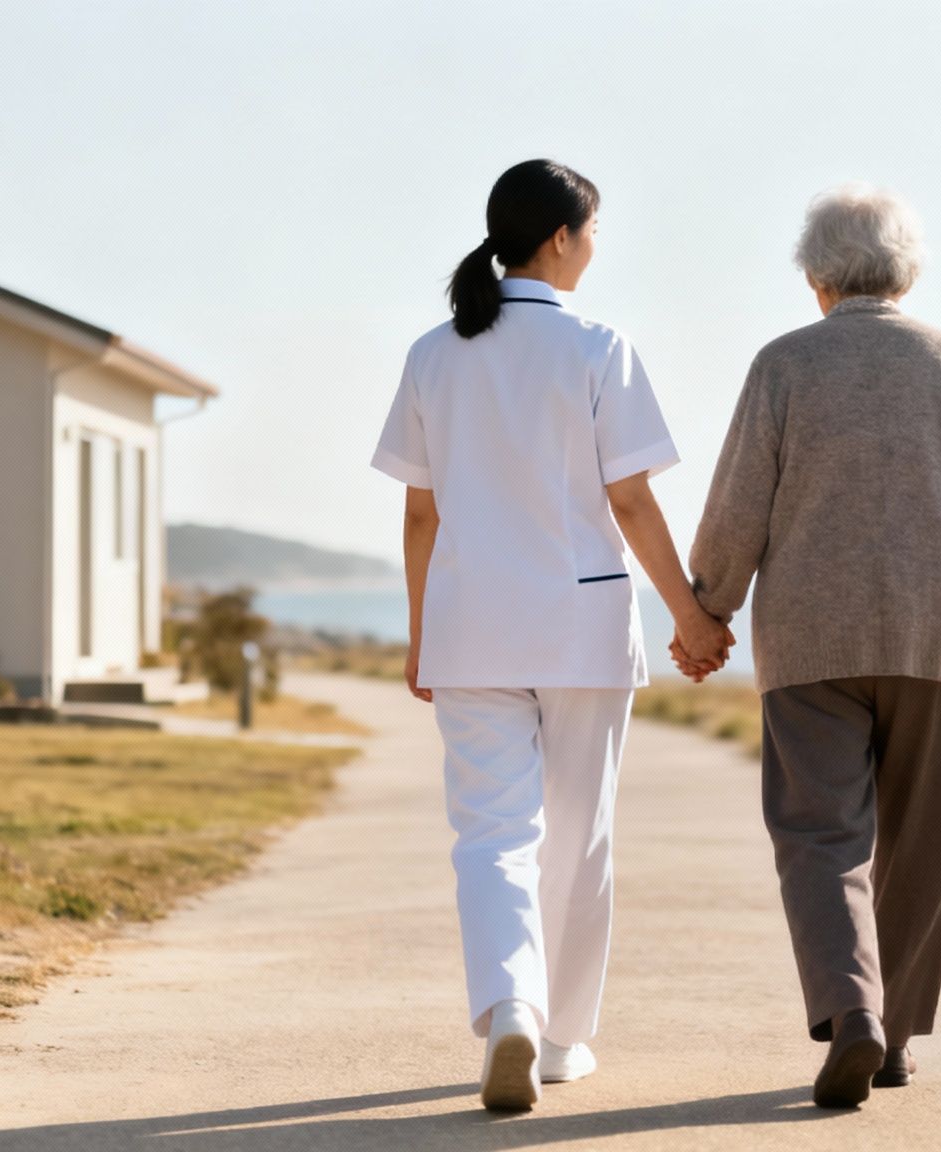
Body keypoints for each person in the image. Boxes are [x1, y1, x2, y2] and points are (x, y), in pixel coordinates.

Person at [372, 159, 732, 1112]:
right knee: (578, 839)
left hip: (470, 629)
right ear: (562, 237)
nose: (596, 246)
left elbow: (421, 514)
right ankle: (563, 1039)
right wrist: (690, 616)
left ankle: (511, 1010)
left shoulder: (433, 354)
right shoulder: (598, 345)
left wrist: (420, 633)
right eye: (594, 229)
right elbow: (630, 499)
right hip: (581, 626)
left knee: (492, 836)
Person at [681, 184, 941, 1109]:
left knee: (819, 835)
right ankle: (896, 1037)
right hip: (934, 632)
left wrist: (706, 610)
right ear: (906, 273)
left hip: (810, 638)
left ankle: (852, 1013)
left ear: (817, 276)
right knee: (919, 841)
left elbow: (739, 505)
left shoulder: (784, 364)